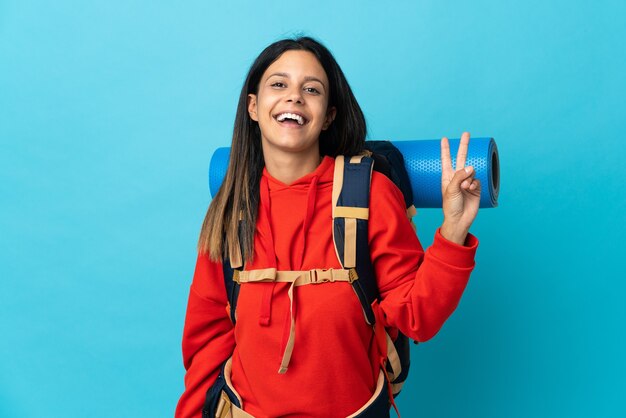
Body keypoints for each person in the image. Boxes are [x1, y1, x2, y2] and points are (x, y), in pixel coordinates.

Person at [175, 36, 481, 418]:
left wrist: (453, 229)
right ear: (253, 106)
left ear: (329, 115)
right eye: (278, 84)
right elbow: (208, 343)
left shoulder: (369, 193)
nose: (294, 97)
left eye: (312, 89)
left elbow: (415, 315)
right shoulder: (231, 207)